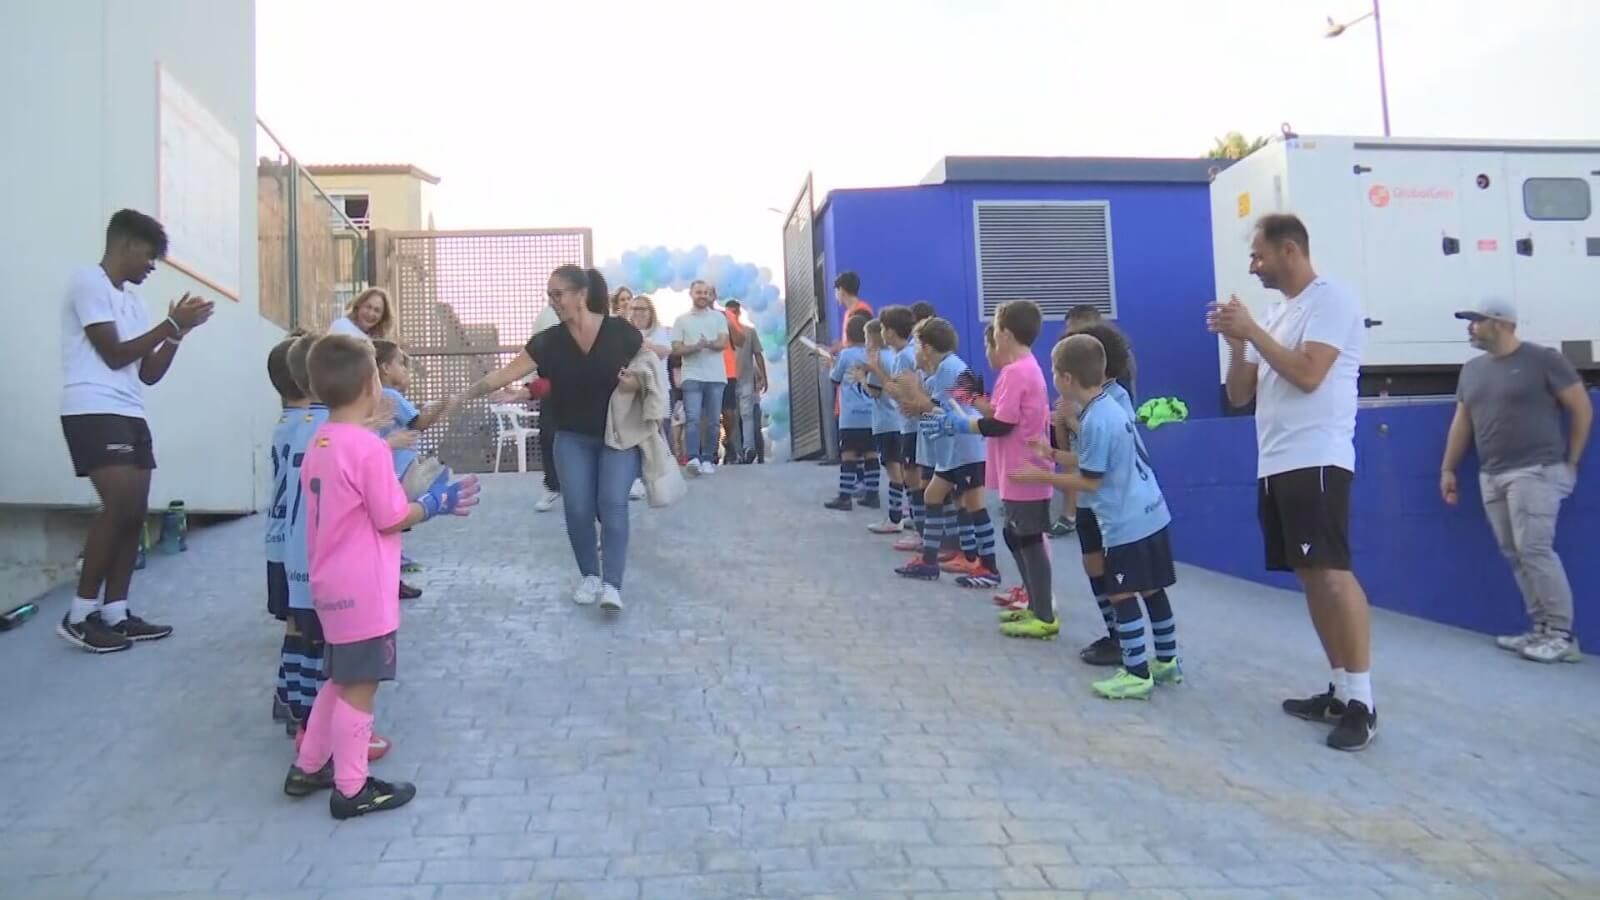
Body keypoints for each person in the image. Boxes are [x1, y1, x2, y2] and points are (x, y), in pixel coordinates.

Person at [284, 333, 480, 819]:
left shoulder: (322, 440)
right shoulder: (369, 449)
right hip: (364, 588)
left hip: (329, 583)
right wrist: (435, 503)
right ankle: (352, 788)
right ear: (373, 385)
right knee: (361, 685)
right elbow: (390, 516)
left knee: (340, 677)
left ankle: (309, 765)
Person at [1208, 212, 1377, 752]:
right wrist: (1238, 343)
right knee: (1310, 576)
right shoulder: (1277, 315)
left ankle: (1363, 703)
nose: (1253, 267)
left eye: (1258, 255)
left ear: (1289, 250)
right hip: (1276, 462)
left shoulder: (1332, 300)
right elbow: (1240, 395)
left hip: (1318, 458)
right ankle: (1340, 689)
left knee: (1333, 574)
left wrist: (1253, 330)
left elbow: (1308, 375)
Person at [57, 209, 214, 653]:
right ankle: (79, 614)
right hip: (92, 408)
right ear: (125, 244)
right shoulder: (87, 282)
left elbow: (148, 372)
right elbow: (113, 354)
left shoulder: (135, 302)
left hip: (130, 410)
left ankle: (116, 612)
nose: (151, 266)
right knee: (119, 506)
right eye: (149, 256)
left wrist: (177, 335)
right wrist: (171, 324)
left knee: (135, 512)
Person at [463, 266, 645, 611]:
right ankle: (590, 576)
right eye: (549, 295)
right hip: (572, 436)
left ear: (581, 294)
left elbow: (648, 367)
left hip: (617, 436)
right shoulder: (549, 341)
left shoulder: (620, 332)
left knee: (612, 503)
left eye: (558, 294)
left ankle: (612, 585)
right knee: (577, 507)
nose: (553, 301)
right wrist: (467, 395)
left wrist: (637, 381)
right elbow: (511, 374)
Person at [1015, 334, 1182, 700]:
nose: (1053, 379)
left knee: (1121, 592)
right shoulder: (1109, 407)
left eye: (1054, 372)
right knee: (1152, 589)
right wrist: (1052, 454)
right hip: (1152, 513)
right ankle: (1168, 660)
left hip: (1126, 523)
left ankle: (1136, 672)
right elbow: (1096, 460)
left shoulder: (1094, 419)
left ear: (1067, 378)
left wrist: (1042, 476)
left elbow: (1090, 480)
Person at [1441, 297, 1591, 664]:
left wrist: (1571, 462)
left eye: (1477, 321)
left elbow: (1581, 408)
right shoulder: (1472, 370)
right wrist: (1448, 468)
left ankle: (1561, 635)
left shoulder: (1543, 360)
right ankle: (1541, 628)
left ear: (1501, 323)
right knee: (1515, 552)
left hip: (1536, 471)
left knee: (1535, 550)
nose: (1470, 327)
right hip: (1491, 474)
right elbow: (1463, 422)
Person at [935, 301, 1057, 635]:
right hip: (1016, 469)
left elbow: (1002, 423)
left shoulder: (1018, 372)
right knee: (1015, 535)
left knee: (1028, 539)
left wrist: (965, 425)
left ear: (1005, 334)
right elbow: (1000, 414)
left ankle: (1044, 615)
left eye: (996, 330)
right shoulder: (1018, 370)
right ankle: (1033, 605)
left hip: (1025, 470)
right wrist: (972, 405)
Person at [1058, 322, 1146, 667]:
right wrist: (1061, 423)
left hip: (1109, 500)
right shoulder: (1077, 397)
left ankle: (1128, 642)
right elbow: (1071, 449)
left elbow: (1112, 444)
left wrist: (1073, 421)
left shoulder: (1116, 398)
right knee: (1092, 564)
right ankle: (1113, 632)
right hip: (1086, 497)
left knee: (1120, 576)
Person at [897, 318, 991, 584]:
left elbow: (942, 407)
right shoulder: (943, 369)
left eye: (916, 345)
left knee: (970, 504)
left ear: (927, 347)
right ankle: (931, 561)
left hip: (965, 447)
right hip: (952, 448)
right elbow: (937, 408)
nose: (914, 351)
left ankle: (977, 560)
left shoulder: (952, 368)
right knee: (933, 495)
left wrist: (914, 393)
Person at [374, 340, 461, 590]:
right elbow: (419, 422)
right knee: (400, 516)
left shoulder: (375, 395)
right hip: (400, 470)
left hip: (388, 468)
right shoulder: (391, 395)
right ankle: (393, 572)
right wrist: (443, 405)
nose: (405, 370)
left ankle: (393, 568)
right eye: (401, 364)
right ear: (385, 368)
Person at [266, 337, 309, 724]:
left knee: (295, 624)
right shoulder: (309, 429)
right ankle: (301, 706)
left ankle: (286, 693)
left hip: (277, 541)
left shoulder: (287, 425)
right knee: (307, 628)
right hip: (297, 543)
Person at [671, 280, 730, 476]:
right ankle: (693, 458)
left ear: (710, 295)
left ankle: (708, 459)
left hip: (716, 376)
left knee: (713, 421)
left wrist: (707, 344)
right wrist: (695, 347)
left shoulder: (719, 318)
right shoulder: (681, 320)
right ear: (691, 294)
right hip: (692, 375)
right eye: (699, 292)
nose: (702, 295)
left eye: (706, 292)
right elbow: (676, 348)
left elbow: (723, 342)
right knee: (693, 419)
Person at [825, 313, 879, 510]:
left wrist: (831, 365)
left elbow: (835, 378)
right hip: (872, 415)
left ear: (847, 334)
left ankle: (845, 496)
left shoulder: (846, 355)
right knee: (871, 454)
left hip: (851, 417)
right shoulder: (872, 354)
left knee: (848, 455)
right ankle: (872, 494)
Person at [862, 319, 905, 533]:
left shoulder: (877, 360)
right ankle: (907, 513)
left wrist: (861, 378)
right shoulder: (894, 357)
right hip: (900, 422)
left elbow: (874, 391)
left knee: (893, 473)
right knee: (904, 471)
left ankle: (895, 518)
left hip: (885, 423)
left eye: (866, 338)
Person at [629, 294, 673, 498]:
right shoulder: (625, 332)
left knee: (657, 434)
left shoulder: (659, 331)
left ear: (651, 312)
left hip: (657, 390)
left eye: (642, 309)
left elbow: (664, 351)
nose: (638, 312)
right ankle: (637, 478)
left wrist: (642, 343)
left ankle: (660, 478)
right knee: (636, 435)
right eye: (634, 308)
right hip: (633, 391)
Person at [724, 300, 768, 465]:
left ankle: (748, 449)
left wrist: (764, 377)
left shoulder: (749, 332)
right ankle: (737, 452)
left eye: (735, 312)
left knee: (747, 414)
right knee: (732, 416)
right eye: (729, 312)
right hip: (727, 379)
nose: (732, 315)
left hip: (746, 379)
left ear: (739, 313)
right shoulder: (721, 333)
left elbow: (758, 354)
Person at [327, 287, 395, 341]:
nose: (371, 313)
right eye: (368, 307)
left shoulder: (378, 338)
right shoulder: (342, 326)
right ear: (358, 306)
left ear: (383, 316)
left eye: (377, 310)